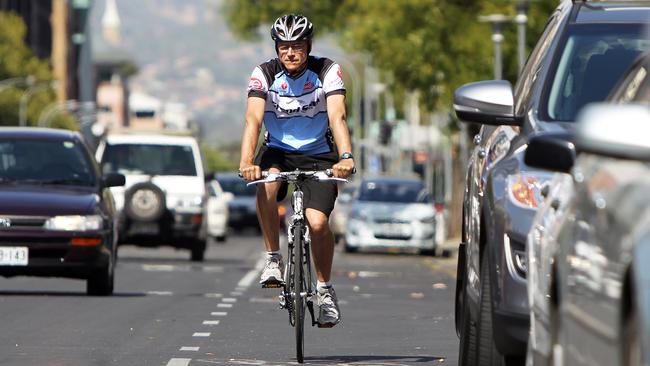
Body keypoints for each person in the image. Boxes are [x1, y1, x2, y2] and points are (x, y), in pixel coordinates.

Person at [239, 14, 355, 328]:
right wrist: (247, 161)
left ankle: (325, 291)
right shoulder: (264, 73)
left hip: (319, 154)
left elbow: (338, 117)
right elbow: (253, 120)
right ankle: (273, 259)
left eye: (298, 46)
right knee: (266, 187)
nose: (291, 53)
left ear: (309, 46)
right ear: (276, 48)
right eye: (284, 46)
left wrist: (345, 157)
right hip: (278, 152)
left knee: (317, 224)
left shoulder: (327, 71)